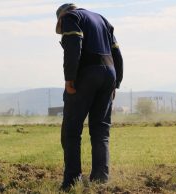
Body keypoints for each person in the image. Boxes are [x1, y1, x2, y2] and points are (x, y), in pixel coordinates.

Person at [55, 3, 123, 190]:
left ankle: (72, 181)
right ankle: (101, 179)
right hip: (109, 73)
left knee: (71, 130)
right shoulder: (102, 20)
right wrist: (116, 82)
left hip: (86, 74)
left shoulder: (71, 18)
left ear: (61, 17)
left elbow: (73, 46)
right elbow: (116, 52)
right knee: (101, 130)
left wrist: (69, 78)